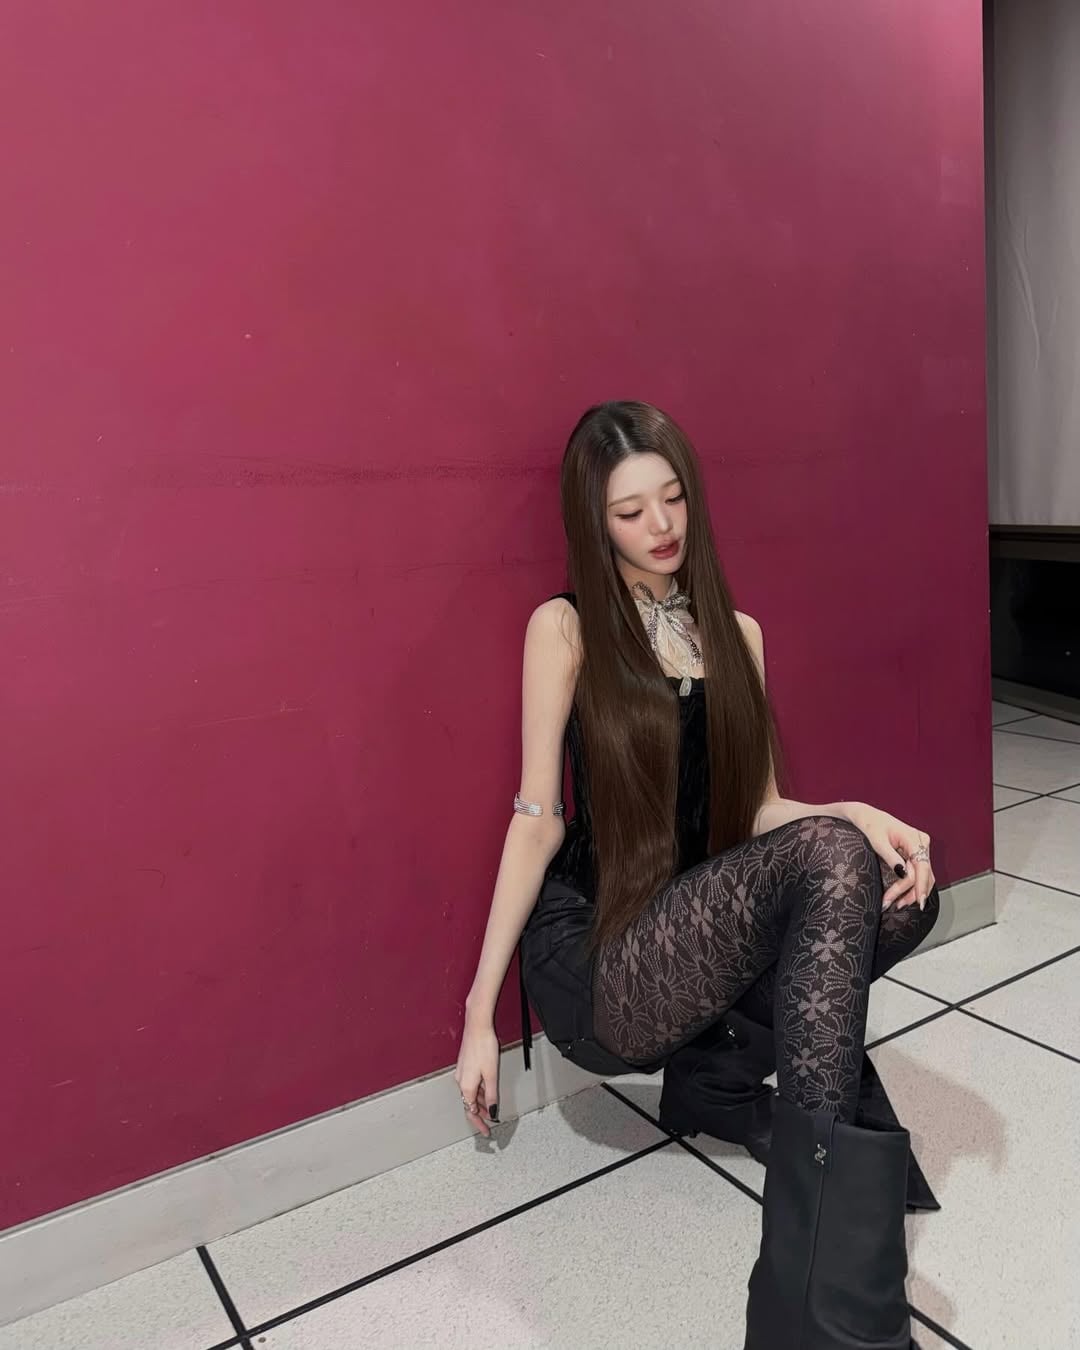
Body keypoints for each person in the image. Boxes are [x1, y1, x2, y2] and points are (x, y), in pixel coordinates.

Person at [455, 401, 938, 1348]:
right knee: (836, 865)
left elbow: (758, 811)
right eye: (630, 511)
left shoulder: (737, 634)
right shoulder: (566, 628)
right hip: (598, 955)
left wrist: (854, 811)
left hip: (692, 931)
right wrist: (480, 1015)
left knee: (896, 887)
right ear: (595, 522)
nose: (661, 525)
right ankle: (823, 1305)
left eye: (672, 498)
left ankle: (721, 1095)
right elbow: (535, 824)